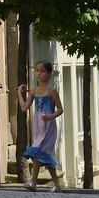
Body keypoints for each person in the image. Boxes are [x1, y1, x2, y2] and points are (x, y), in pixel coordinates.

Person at [17, 59, 64, 190]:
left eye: (42, 71)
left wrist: (51, 116)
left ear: (49, 74)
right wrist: (19, 94)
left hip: (48, 126)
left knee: (41, 152)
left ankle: (38, 183)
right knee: (39, 154)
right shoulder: (33, 91)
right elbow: (24, 108)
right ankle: (42, 183)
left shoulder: (51, 91)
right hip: (38, 125)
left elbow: (60, 109)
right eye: (37, 71)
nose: (39, 73)